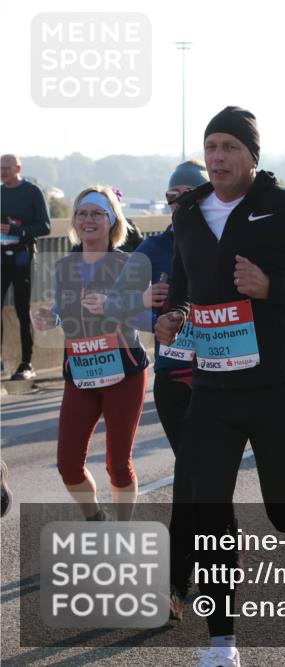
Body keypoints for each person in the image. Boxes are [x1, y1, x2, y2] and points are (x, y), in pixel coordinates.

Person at [155, 106, 285, 666]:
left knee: (281, 508)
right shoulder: (191, 213)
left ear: (251, 156)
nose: (217, 157)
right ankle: (222, 643)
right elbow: (185, 285)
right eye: (210, 146)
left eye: (228, 148)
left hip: (276, 385)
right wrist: (173, 317)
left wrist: (273, 287)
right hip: (213, 386)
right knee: (207, 511)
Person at [106, 160, 210, 620]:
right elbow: (119, 310)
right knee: (191, 473)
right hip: (173, 378)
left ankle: (177, 580)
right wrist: (153, 316)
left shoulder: (226, 239)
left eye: (190, 194)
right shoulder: (151, 249)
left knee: (200, 475)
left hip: (222, 375)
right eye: (173, 196)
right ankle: (192, 570)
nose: (179, 203)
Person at [32, 186, 149, 522]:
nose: (88, 220)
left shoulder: (129, 264)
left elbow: (148, 317)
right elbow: (62, 307)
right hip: (80, 372)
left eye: (97, 213)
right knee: (68, 464)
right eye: (82, 213)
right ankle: (96, 518)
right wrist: (49, 317)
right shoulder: (64, 266)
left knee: (118, 464)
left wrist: (114, 307)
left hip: (124, 372)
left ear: (111, 220)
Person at [1, 153, 51, 380]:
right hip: (1, 257)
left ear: (18, 167)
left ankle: (26, 362)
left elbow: (45, 227)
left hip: (23, 257)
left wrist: (17, 231)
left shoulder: (32, 192)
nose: (2, 172)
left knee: (22, 310)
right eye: (0, 168)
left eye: (7, 168)